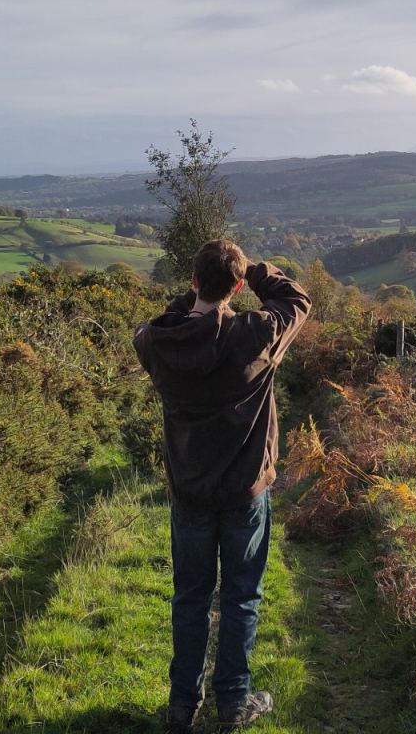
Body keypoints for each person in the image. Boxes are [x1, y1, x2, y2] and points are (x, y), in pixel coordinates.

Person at [133, 239, 311, 732]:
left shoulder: (155, 341)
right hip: (244, 491)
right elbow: (297, 300)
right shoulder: (255, 334)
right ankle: (233, 702)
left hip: (189, 491)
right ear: (236, 285)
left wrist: (194, 303)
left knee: (190, 597)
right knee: (240, 596)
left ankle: (181, 706)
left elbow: (160, 325)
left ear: (192, 282)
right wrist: (256, 272)